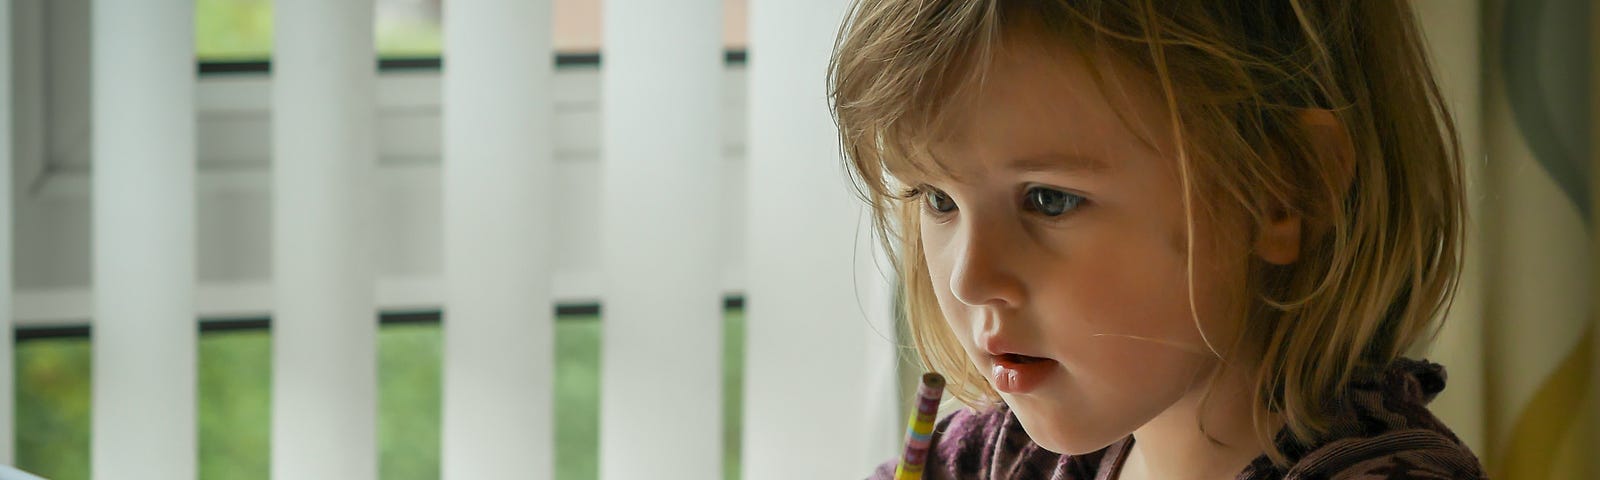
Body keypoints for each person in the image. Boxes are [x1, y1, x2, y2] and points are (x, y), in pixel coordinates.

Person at [829, 1, 1486, 478]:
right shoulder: (988, 461)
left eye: (1049, 199)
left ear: (1282, 191)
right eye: (938, 200)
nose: (966, 280)